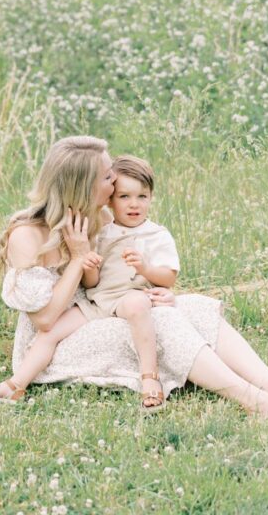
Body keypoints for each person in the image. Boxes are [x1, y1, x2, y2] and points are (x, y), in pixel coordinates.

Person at [0, 136, 268, 417]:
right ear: (82, 185)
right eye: (106, 176)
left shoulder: (101, 218)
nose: (114, 179)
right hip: (55, 343)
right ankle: (255, 401)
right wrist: (78, 258)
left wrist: (163, 293)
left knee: (189, 307)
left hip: (105, 310)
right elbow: (44, 320)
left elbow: (121, 279)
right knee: (162, 322)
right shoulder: (29, 235)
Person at [82, 154, 179, 412]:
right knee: (53, 331)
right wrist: (89, 268)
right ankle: (18, 381)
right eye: (124, 196)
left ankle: (150, 377)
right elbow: (93, 281)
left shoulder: (156, 234)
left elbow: (169, 277)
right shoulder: (103, 232)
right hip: (101, 299)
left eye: (142, 196)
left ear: (151, 198)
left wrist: (145, 268)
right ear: (110, 201)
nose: (134, 204)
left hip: (132, 298)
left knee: (137, 304)